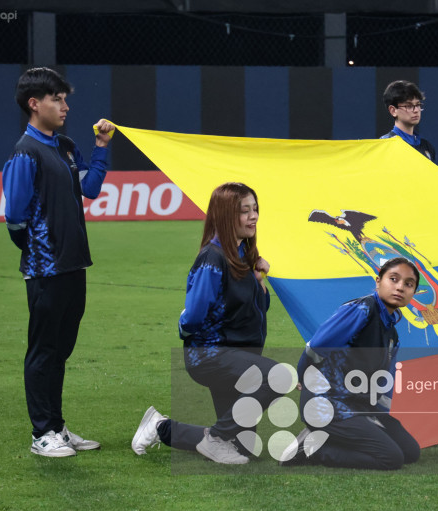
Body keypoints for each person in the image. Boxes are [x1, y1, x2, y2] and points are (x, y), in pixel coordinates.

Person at [2, 67, 115, 457]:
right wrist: (38, 253)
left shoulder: (65, 146)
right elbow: (15, 219)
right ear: (35, 104)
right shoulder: (25, 153)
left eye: (65, 98)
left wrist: (100, 146)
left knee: (60, 351)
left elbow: (90, 188)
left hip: (73, 266)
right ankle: (41, 434)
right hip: (46, 271)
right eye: (57, 99)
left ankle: (57, 427)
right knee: (43, 351)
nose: (65, 106)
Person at [131, 183, 284, 464]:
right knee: (277, 376)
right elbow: (193, 317)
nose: (253, 216)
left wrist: (259, 281)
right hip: (211, 357)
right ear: (226, 216)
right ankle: (216, 438)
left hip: (240, 356)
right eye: (244, 211)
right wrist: (182, 327)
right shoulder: (212, 259)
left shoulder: (243, 254)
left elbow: (257, 309)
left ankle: (160, 427)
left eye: (255, 209)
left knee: (244, 448)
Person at [281, 258, 421, 470]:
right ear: (378, 281)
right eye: (393, 279)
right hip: (326, 403)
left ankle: (330, 435)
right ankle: (313, 449)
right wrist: (303, 375)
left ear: (413, 293)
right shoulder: (362, 310)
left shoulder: (392, 335)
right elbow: (316, 346)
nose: (400, 287)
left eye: (408, 284)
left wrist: (379, 420)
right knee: (391, 458)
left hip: (358, 405)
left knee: (410, 451)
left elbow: (384, 383)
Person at [380, 80, 436, 162]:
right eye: (409, 106)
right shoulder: (385, 145)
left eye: (418, 105)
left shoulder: (427, 147)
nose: (416, 110)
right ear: (393, 110)